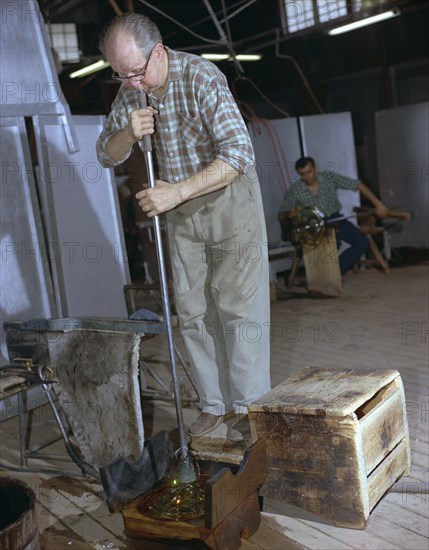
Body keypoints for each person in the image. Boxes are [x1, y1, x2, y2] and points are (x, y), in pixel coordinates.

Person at [96, 13, 271, 439]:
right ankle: (213, 405)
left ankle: (250, 410)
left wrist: (175, 192)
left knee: (237, 310)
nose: (131, 83)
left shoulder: (201, 76)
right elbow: (106, 153)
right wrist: (127, 134)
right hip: (183, 214)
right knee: (192, 312)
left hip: (228, 199)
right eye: (120, 76)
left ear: (158, 52)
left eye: (136, 72)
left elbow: (238, 153)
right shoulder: (131, 92)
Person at [279, 156, 388, 275]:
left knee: (362, 242)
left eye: (309, 172)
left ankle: (336, 271)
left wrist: (378, 204)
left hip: (336, 219)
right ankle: (327, 275)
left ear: (315, 168)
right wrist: (290, 214)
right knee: (329, 248)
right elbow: (283, 213)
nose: (307, 177)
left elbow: (357, 185)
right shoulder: (296, 190)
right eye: (302, 174)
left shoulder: (329, 178)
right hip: (315, 226)